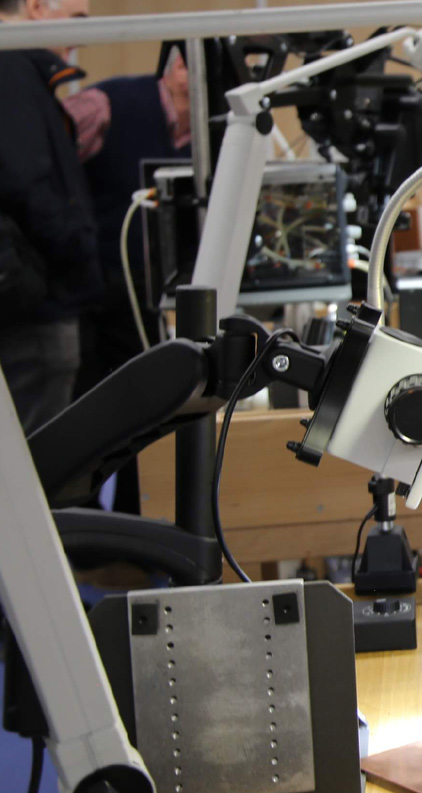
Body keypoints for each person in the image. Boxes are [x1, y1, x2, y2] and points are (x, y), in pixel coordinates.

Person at [62, 46, 191, 513]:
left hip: (150, 303)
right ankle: (76, 528)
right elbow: (45, 165)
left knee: (146, 416)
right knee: (80, 419)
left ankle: (136, 523)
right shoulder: (108, 105)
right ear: (179, 67)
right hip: (85, 296)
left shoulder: (215, 136)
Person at [0, 0, 101, 433]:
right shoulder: (12, 69)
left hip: (29, 300)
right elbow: (27, 181)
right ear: (37, 6)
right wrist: (78, 252)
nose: (81, 38)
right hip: (36, 310)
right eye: (77, 19)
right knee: (39, 461)